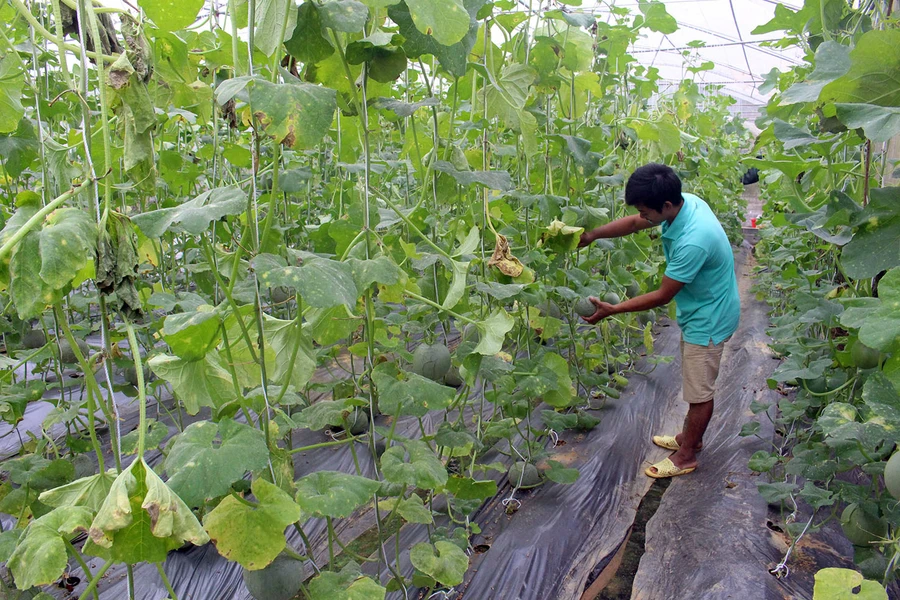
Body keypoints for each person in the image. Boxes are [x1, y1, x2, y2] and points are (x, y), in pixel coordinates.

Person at [578, 163, 740, 479]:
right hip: (701, 305)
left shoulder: (694, 239)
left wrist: (614, 309)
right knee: (697, 382)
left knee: (699, 392)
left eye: (645, 211)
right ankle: (688, 437)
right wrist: (593, 235)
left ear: (665, 205)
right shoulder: (684, 202)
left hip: (709, 317)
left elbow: (663, 295)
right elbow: (636, 223)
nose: (643, 217)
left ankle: (687, 455)